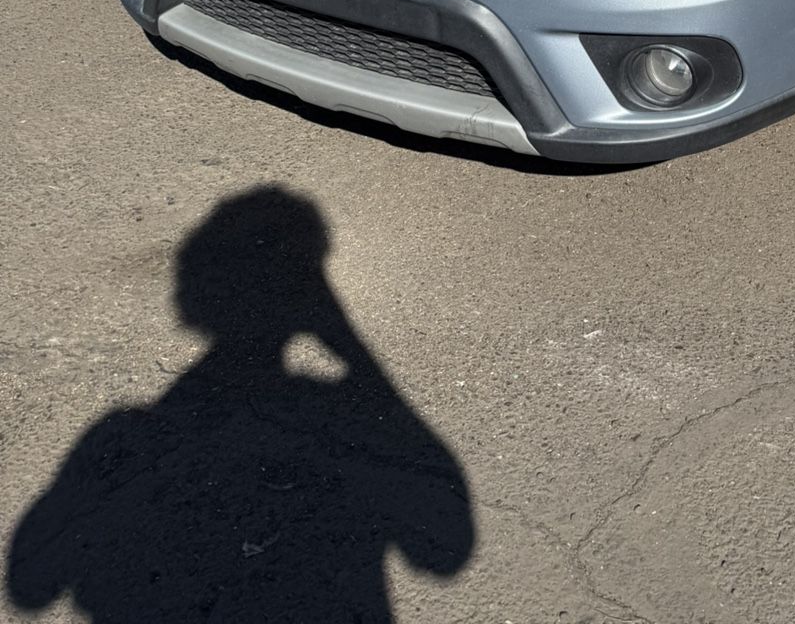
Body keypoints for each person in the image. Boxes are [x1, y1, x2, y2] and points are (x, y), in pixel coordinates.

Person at [7, 187, 474, 622]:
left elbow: (32, 583)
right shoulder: (330, 411)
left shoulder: (122, 431)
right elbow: (445, 548)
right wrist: (347, 342)